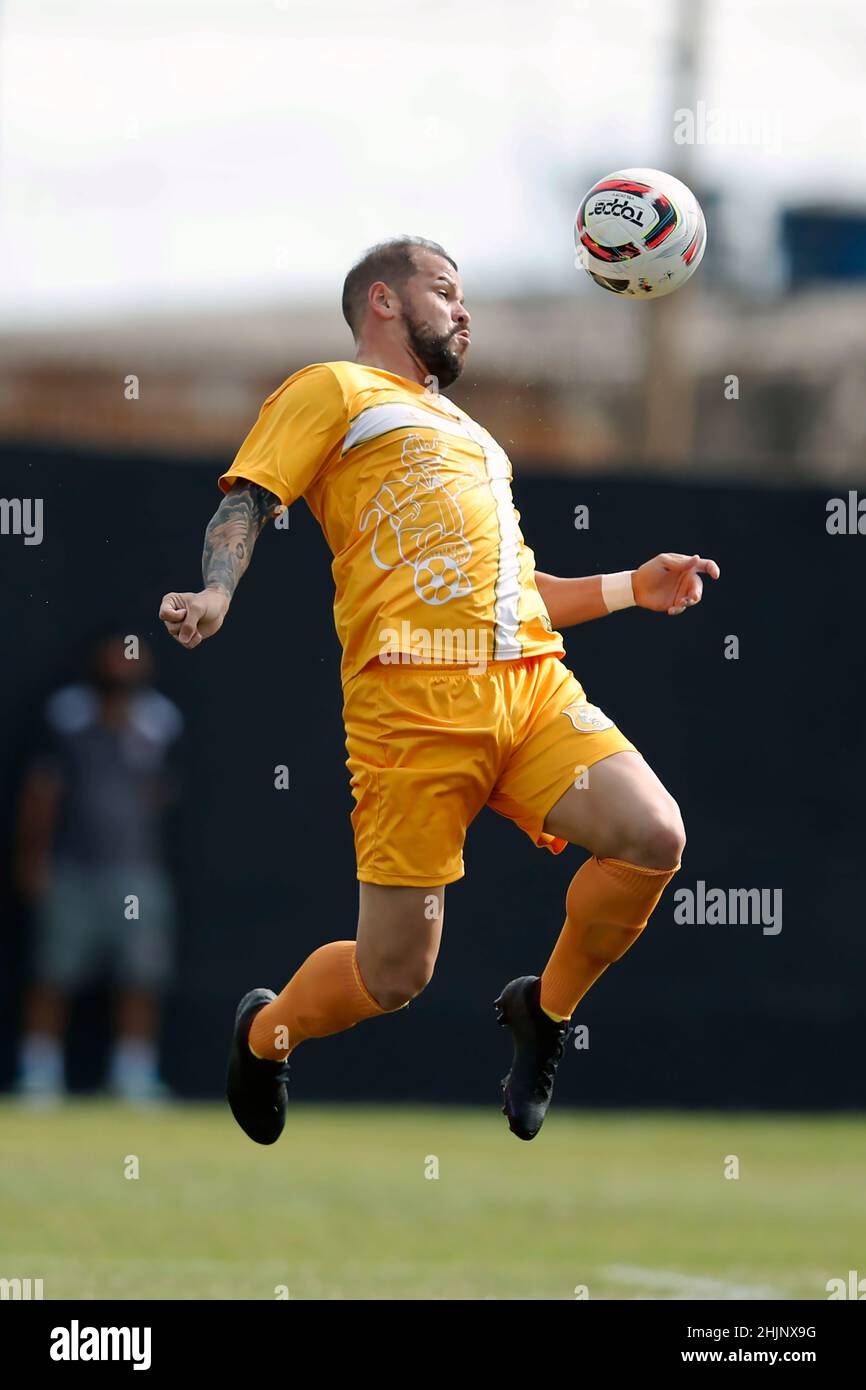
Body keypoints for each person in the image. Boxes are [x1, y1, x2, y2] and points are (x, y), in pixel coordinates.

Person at [158, 237, 719, 1143]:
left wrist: (628, 587)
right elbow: (250, 499)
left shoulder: (480, 443)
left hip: (527, 687)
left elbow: (513, 593)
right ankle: (265, 1037)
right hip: (412, 712)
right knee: (395, 978)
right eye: (446, 291)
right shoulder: (335, 391)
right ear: (383, 301)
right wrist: (216, 592)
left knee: (655, 835)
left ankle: (546, 1013)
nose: (464, 312)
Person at [15, 635, 181, 1104]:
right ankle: (39, 1072)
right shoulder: (66, 717)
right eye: (117, 655)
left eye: (134, 655)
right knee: (53, 971)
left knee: (140, 975)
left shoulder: (160, 723)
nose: (125, 664)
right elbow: (41, 792)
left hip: (136, 870)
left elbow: (162, 792)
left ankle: (134, 1073)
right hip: (71, 868)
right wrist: (32, 859)